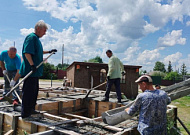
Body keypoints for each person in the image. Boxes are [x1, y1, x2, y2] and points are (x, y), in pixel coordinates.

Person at [19, 20, 57, 119]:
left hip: (35, 72)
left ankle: (31, 109)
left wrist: (49, 51)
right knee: (28, 92)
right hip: (30, 71)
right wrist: (32, 65)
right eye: (44, 30)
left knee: (34, 92)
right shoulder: (31, 38)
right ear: (38, 29)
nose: (45, 33)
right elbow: (27, 52)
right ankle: (25, 114)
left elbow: (38, 52)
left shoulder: (36, 39)